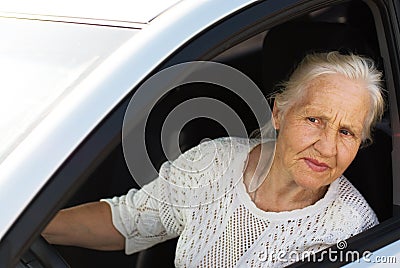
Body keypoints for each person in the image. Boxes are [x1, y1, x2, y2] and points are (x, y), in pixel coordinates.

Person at [43, 51, 385, 267]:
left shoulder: (353, 233)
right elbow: (127, 220)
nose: (327, 147)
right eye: (314, 120)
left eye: (347, 132)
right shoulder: (217, 161)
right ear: (279, 113)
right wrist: (23, 227)